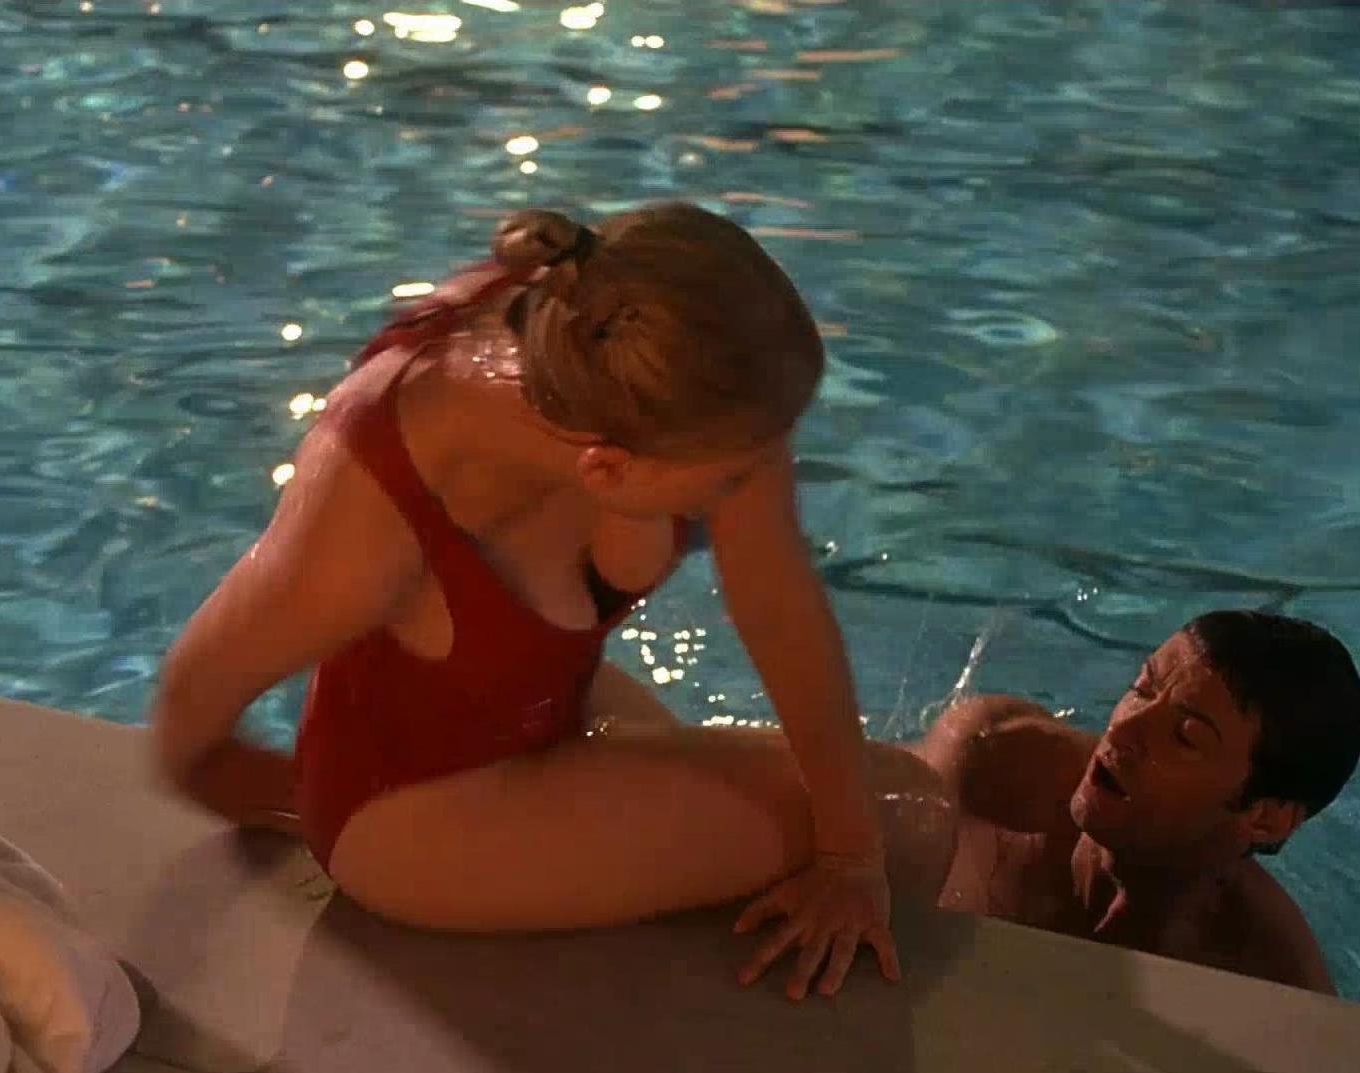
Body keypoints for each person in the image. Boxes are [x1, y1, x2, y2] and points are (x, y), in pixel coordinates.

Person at [148, 202, 967, 1001]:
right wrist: (306, 813)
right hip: (416, 815)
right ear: (607, 470)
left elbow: (779, 608)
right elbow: (191, 712)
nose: (753, 491)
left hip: (545, 712)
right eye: (727, 483)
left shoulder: (649, 350)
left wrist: (848, 857)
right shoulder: (375, 502)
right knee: (912, 815)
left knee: (868, 818)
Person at [913, 610, 1360, 994]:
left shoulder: (1271, 976)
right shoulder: (988, 765)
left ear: (1266, 818)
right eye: (1142, 689)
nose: (1122, 730)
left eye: (1185, 736)